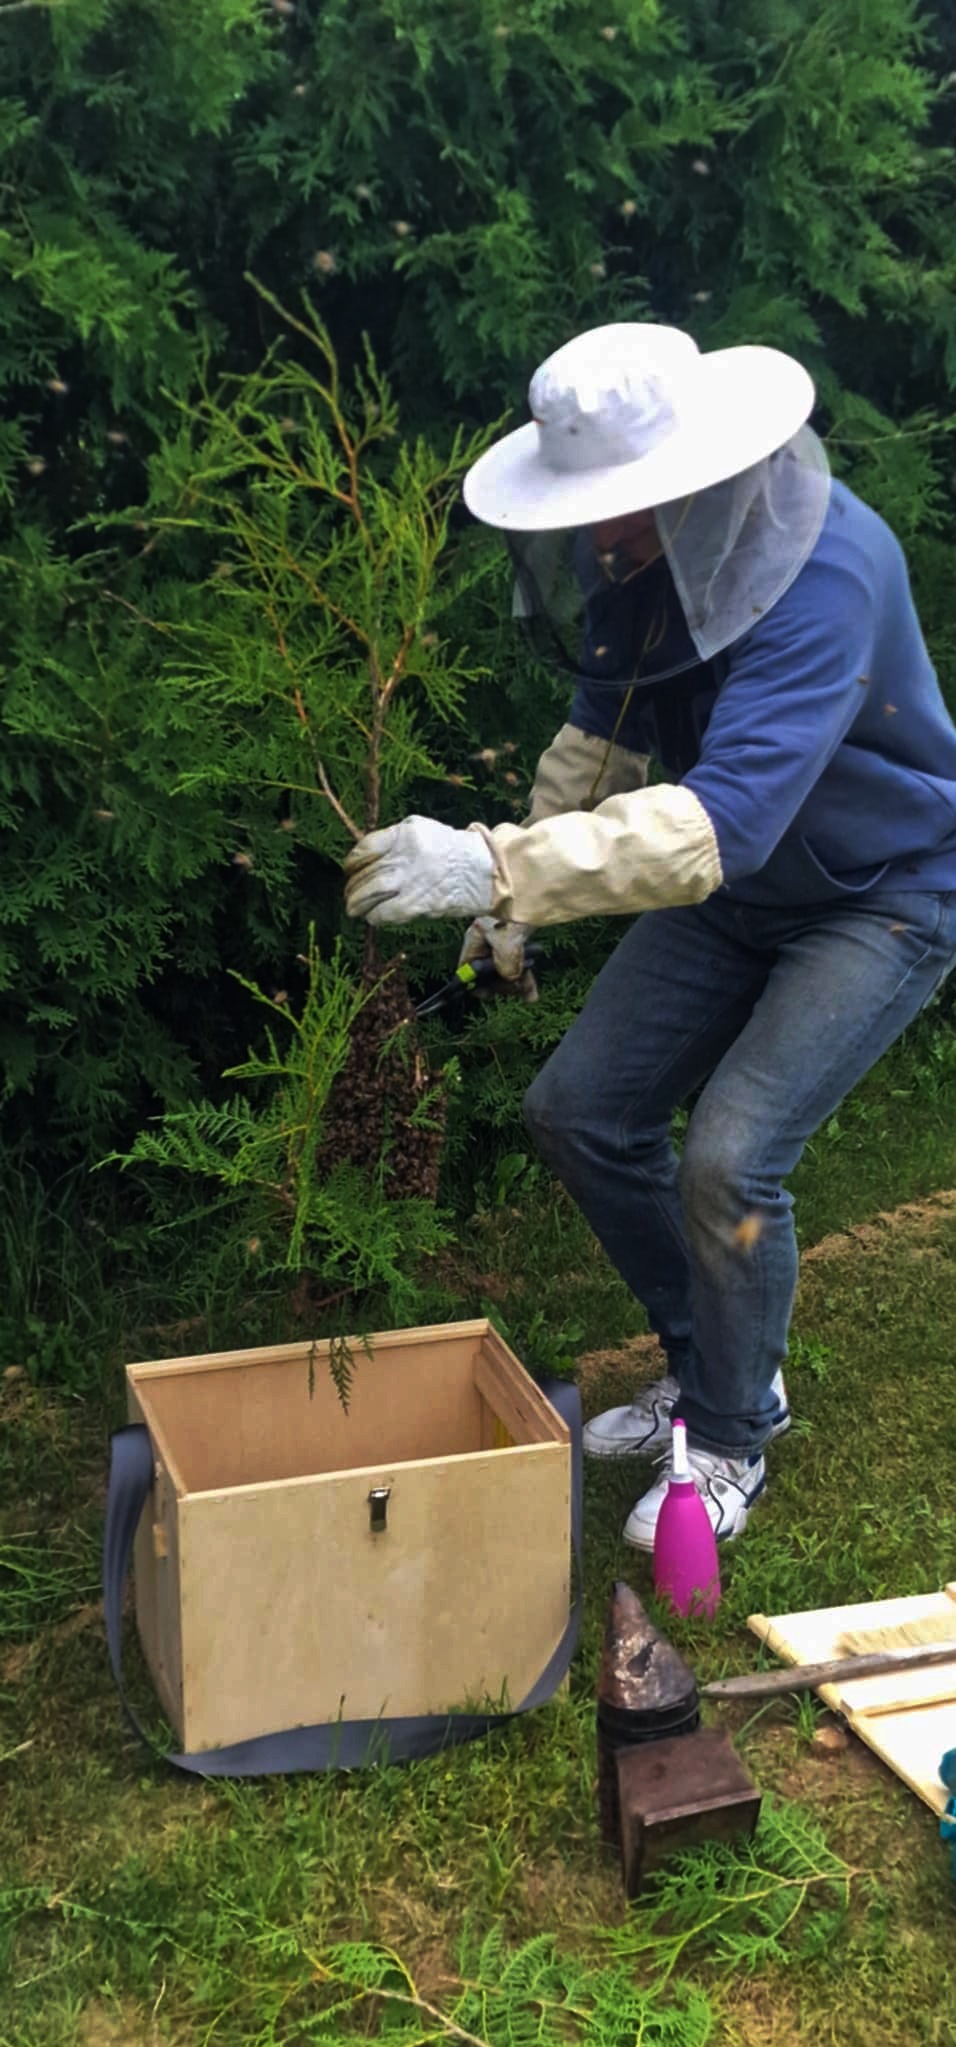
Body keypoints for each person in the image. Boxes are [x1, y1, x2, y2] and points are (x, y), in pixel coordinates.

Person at [344, 323, 956, 1548]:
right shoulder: (639, 558)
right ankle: (713, 1364)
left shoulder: (829, 569)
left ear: (701, 477)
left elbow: (715, 821)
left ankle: (730, 1438)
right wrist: (501, 898)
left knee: (728, 1158)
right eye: (590, 513)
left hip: (877, 891)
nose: (602, 537)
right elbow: (602, 745)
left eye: (624, 511)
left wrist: (494, 862)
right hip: (735, 890)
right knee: (574, 1107)